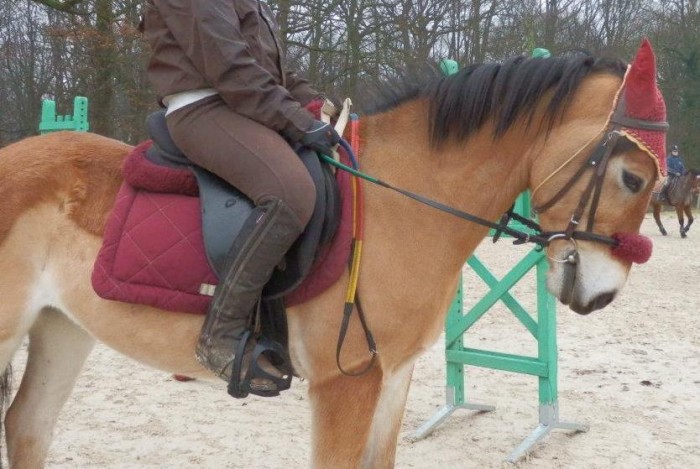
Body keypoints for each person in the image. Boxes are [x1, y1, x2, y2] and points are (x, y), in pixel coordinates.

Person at [142, 0, 339, 397]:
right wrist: (297, 121)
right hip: (204, 107)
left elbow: (274, 73)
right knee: (291, 191)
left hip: (243, 104)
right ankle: (221, 333)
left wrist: (318, 109)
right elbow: (230, 67)